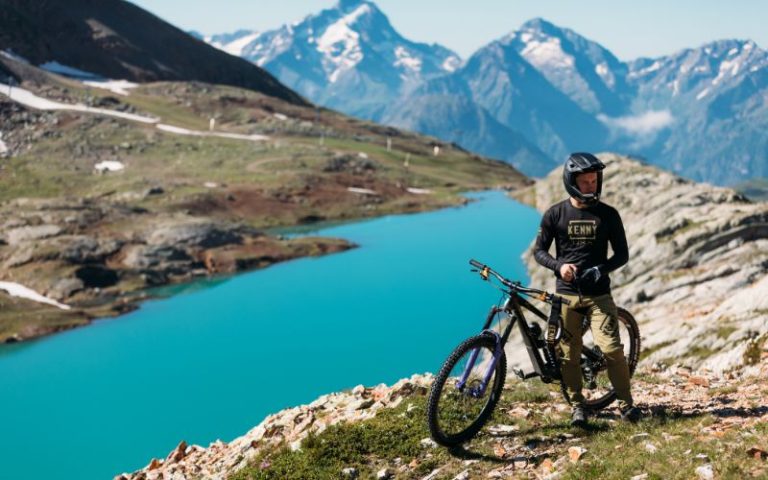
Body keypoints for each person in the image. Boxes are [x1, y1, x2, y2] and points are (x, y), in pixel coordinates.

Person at [533, 152, 641, 427]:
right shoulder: (555, 214)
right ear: (571, 182)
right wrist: (559, 267)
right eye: (585, 182)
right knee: (568, 356)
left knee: (612, 349)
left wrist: (600, 270)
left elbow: (622, 255)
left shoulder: (609, 214)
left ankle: (627, 406)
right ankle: (577, 407)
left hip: (599, 295)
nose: (591, 186)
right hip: (566, 296)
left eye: (594, 181)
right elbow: (539, 252)